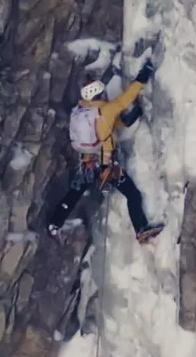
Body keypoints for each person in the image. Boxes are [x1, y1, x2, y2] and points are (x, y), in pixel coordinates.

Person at [46, 57, 165, 242]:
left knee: (73, 194)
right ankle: (141, 230)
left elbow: (105, 128)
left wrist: (129, 119)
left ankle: (55, 223)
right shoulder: (105, 110)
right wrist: (144, 74)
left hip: (86, 164)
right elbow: (127, 98)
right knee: (133, 194)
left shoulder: (80, 111)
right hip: (105, 164)